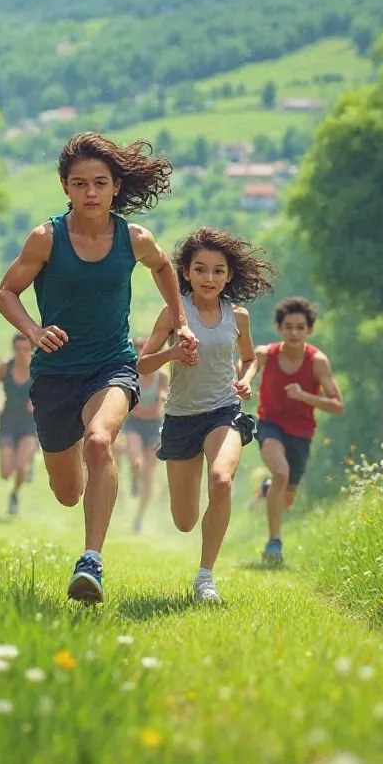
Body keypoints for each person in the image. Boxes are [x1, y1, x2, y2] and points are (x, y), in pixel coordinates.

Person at [0, 132, 197, 603]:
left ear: (115, 187)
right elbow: (6, 292)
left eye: (100, 183)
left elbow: (166, 269)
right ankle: (94, 481)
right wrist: (32, 331)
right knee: (67, 491)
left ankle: (91, 561)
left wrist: (180, 323)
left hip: (112, 367)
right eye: (80, 183)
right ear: (65, 187)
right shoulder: (46, 238)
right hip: (54, 375)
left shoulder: (134, 238)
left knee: (101, 440)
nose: (90, 192)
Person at [139, 227, 275, 604]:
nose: (209, 278)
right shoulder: (173, 314)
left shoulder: (239, 317)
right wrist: (172, 354)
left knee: (220, 480)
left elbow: (250, 359)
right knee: (185, 520)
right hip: (182, 417)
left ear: (229, 275)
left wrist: (246, 380)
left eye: (218, 271)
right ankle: (197, 549)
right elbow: (142, 365)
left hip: (224, 411)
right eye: (200, 270)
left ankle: (205, 578)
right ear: (185, 273)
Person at [255, 296, 344, 565]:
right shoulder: (265, 355)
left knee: (288, 498)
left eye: (300, 327)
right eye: (289, 326)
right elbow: (243, 371)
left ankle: (269, 488)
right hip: (270, 424)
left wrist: (306, 396)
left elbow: (337, 405)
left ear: (309, 330)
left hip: (302, 433)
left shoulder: (318, 362)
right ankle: (274, 542)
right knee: (281, 471)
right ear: (279, 328)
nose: (294, 332)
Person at [123, 335, 168, 532]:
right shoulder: (131, 373)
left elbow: (161, 402)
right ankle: (134, 477)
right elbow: (126, 405)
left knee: (149, 475)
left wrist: (160, 402)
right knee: (136, 462)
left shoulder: (162, 376)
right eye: (138, 347)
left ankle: (139, 516)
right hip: (134, 424)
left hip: (153, 426)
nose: (141, 350)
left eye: (145, 347)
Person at [0, 334, 38, 515]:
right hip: (8, 420)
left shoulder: (37, 368)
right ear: (13, 349)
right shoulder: (5, 366)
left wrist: (36, 401)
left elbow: (49, 391)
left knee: (21, 466)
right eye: (18, 349)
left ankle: (15, 494)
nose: (21, 353)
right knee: (5, 472)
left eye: (25, 349)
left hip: (29, 423)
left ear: (31, 350)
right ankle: (27, 463)